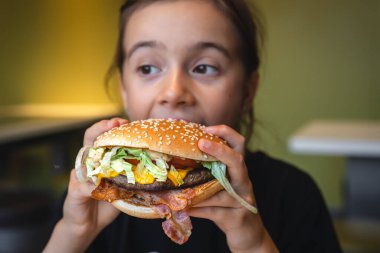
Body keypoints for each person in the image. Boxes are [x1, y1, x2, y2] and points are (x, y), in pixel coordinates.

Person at [44, 0, 342, 252]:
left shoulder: (293, 195)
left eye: (204, 67)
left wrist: (255, 243)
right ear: (124, 89)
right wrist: (75, 232)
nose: (173, 92)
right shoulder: (90, 198)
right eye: (147, 68)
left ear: (247, 91)